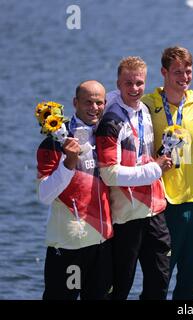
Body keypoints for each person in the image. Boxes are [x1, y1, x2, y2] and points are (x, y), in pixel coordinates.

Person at [140, 47, 193, 300]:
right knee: (159, 279)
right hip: (164, 204)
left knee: (191, 281)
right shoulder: (147, 104)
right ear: (163, 72)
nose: (184, 77)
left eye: (188, 71)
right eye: (177, 72)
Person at [96, 56, 173, 300]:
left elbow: (145, 156)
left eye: (139, 83)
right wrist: (155, 169)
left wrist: (162, 160)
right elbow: (109, 175)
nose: (135, 89)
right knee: (120, 288)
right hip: (125, 218)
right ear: (118, 83)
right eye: (128, 83)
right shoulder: (111, 121)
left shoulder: (146, 111)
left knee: (159, 285)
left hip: (154, 212)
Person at [37, 80, 114, 300]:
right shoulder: (53, 142)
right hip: (68, 246)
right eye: (87, 102)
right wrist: (68, 163)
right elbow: (44, 195)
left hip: (102, 243)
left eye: (99, 102)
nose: (94, 107)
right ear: (75, 103)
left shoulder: (107, 135)